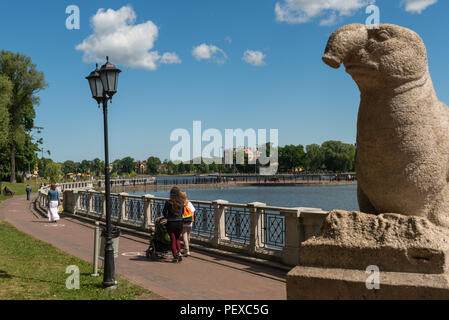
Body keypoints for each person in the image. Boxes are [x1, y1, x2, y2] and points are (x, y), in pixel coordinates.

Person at [162, 187, 184, 263]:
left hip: (171, 223)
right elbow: (183, 212)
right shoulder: (182, 202)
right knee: (178, 239)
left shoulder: (168, 202)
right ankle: (179, 252)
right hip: (180, 223)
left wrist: (167, 217)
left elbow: (164, 212)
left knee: (173, 240)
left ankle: (175, 256)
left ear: (171, 194)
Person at [180, 191, 195, 257]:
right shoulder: (189, 203)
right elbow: (193, 211)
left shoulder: (180, 203)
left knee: (184, 236)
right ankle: (186, 248)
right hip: (189, 221)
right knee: (188, 235)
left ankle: (187, 250)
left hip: (183, 221)